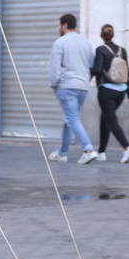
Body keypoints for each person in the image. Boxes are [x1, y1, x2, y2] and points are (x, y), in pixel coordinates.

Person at [46, 13, 98, 165]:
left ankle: (88, 150)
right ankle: (62, 152)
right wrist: (85, 81)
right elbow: (91, 65)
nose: (59, 28)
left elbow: (55, 67)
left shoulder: (60, 42)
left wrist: (54, 83)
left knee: (72, 119)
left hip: (66, 85)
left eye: (59, 25)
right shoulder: (87, 43)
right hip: (82, 86)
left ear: (63, 25)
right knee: (69, 119)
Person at [91, 24, 129, 163]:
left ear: (101, 36)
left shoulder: (100, 50)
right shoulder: (122, 51)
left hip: (106, 91)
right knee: (105, 118)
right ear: (113, 34)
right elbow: (127, 72)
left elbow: (98, 70)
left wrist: (88, 71)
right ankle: (101, 152)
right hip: (120, 92)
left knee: (111, 121)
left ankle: (127, 148)